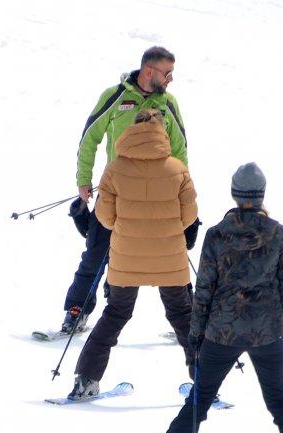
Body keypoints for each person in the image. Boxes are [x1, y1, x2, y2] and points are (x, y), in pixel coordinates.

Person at [154, 163, 283, 433]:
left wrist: (196, 334)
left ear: (235, 194)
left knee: (199, 401)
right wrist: (276, 322)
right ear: (261, 195)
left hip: (222, 331)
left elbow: (204, 287)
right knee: (280, 402)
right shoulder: (277, 233)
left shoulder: (217, 235)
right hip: (267, 333)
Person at [57, 46, 191, 336]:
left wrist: (181, 192)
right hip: (116, 194)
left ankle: (189, 323)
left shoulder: (169, 104)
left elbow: (180, 150)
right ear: (149, 71)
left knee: (172, 257)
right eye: (167, 73)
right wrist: (84, 180)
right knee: (95, 253)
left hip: (158, 199)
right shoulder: (115, 96)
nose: (170, 79)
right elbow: (90, 137)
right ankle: (76, 311)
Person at [67, 109, 197, 399]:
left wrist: (127, 230)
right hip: (170, 259)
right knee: (183, 314)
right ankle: (205, 380)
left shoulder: (114, 169)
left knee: (115, 314)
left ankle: (85, 379)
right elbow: (189, 215)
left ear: (131, 132)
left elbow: (104, 217)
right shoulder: (178, 169)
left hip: (126, 258)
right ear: (163, 133)